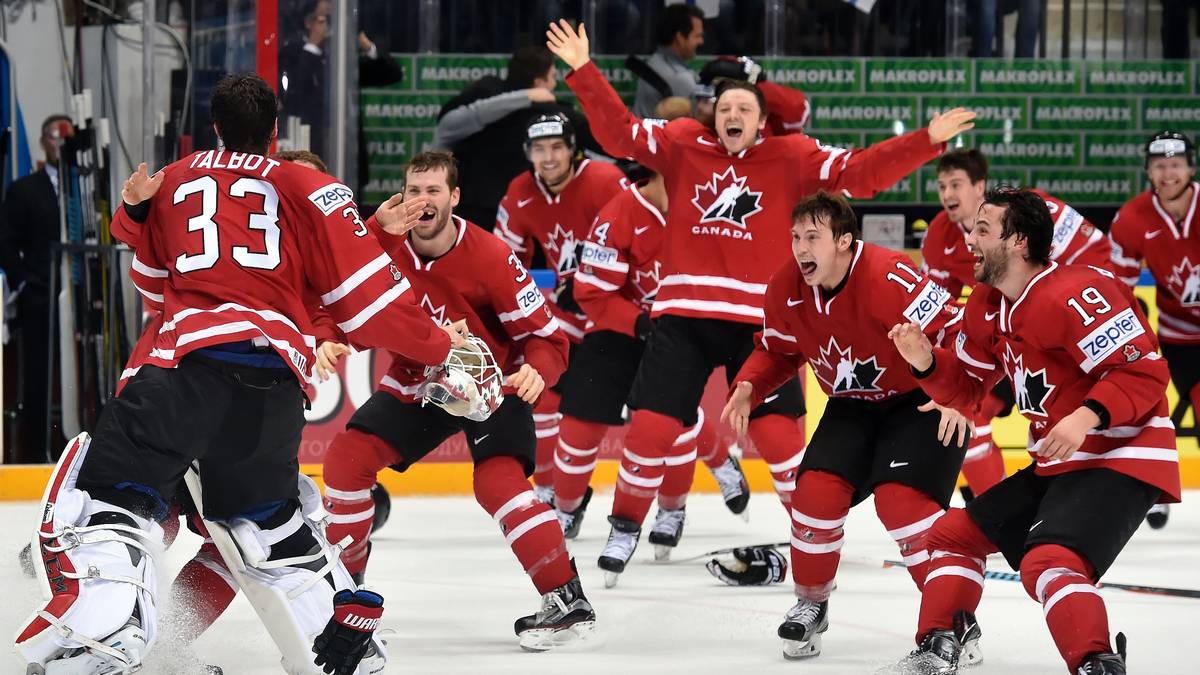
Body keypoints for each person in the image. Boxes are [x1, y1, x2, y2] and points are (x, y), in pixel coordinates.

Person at [14, 73, 461, 674]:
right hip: (269, 389)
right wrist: (438, 345)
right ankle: (339, 647)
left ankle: (108, 631)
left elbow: (150, 281)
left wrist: (132, 211)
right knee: (265, 527)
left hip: (181, 371)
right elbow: (356, 296)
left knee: (110, 501)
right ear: (275, 135)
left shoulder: (177, 177)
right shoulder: (311, 188)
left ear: (214, 129)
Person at [545, 19, 975, 585]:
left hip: (762, 321)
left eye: (745, 109)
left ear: (761, 120)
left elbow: (861, 173)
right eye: (725, 107)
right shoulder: (681, 143)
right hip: (684, 315)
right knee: (650, 427)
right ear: (712, 114)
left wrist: (926, 141)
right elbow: (619, 132)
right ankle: (626, 525)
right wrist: (583, 71)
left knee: (780, 439)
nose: (734, 115)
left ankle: (812, 535)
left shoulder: (792, 155)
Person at [883, 187, 1180, 675]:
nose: (969, 241)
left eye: (982, 230)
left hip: (1121, 453)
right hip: (1059, 461)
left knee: (1049, 560)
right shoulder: (985, 305)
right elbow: (967, 390)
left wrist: (1086, 417)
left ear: (1019, 240)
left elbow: (1144, 373)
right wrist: (924, 361)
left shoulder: (1079, 291)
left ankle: (1095, 663)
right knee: (954, 537)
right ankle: (939, 644)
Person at [320, 151, 596, 651]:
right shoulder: (381, 244)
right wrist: (329, 337)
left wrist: (538, 368)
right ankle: (343, 601)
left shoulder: (491, 255)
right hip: (417, 381)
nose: (421, 201)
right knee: (345, 461)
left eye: (432, 191)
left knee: (498, 482)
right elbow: (343, 304)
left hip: (491, 380)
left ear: (454, 197)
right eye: (413, 190)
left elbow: (547, 337)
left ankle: (566, 598)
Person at [719, 192, 970, 660]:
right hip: (850, 406)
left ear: (845, 242)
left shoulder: (890, 273)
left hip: (917, 401)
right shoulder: (786, 286)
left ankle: (953, 619)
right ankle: (811, 603)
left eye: (812, 237)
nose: (800, 248)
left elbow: (956, 328)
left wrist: (957, 393)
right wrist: (751, 384)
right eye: (795, 237)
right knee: (814, 493)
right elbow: (777, 351)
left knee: (904, 505)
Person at [552, 166, 750, 552]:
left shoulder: (713, 211)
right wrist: (639, 322)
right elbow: (592, 293)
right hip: (623, 328)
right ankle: (566, 507)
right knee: (578, 425)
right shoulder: (619, 214)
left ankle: (672, 508)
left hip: (682, 328)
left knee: (670, 420)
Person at [922, 148, 1113, 498]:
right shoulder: (938, 236)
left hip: (1054, 342)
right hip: (1002, 343)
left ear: (979, 186)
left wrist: (1069, 303)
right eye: (941, 186)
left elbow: (1097, 250)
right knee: (966, 416)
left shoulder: (1029, 210)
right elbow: (939, 310)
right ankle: (993, 508)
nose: (948, 194)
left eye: (956, 184)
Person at [493, 112, 627, 503]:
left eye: (556, 147)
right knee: (542, 394)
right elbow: (505, 264)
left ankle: (720, 463)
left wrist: (591, 283)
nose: (548, 157)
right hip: (565, 314)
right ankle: (551, 492)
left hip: (618, 312)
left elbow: (636, 244)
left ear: (573, 149)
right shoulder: (520, 191)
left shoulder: (607, 181)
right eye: (538, 149)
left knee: (659, 404)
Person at [1108, 130, 1199, 530]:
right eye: (1160, 166)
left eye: (1176, 164)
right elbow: (1119, 287)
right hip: (1178, 336)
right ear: (1148, 170)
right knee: (1149, 411)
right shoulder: (1131, 218)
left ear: (1190, 168)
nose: (1168, 174)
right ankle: (1152, 491)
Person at [434, 46, 602, 229]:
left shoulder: (482, 93)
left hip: (473, 209)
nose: (554, 85)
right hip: (522, 214)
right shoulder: (557, 114)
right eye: (553, 77)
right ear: (538, 82)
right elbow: (604, 144)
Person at [0, 113, 72, 462]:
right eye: (55, 137)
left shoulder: (85, 190)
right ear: (44, 142)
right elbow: (6, 242)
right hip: (41, 299)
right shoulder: (26, 190)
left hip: (80, 303)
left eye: (67, 137)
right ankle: (33, 455)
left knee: (79, 378)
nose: (61, 143)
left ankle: (81, 451)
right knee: (38, 377)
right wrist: (26, 283)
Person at [696, 56, 810, 136]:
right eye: (701, 100)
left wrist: (754, 87)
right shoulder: (695, 138)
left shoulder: (763, 124)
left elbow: (799, 110)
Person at [632, 4, 706, 118]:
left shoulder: (654, 61)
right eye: (697, 36)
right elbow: (703, 120)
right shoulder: (678, 77)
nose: (701, 41)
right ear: (680, 37)